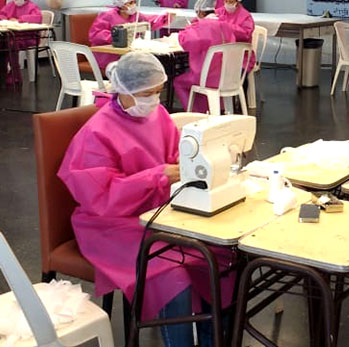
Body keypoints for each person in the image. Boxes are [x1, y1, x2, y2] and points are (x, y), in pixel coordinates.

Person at [58, 52, 230, 347]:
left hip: (155, 211)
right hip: (110, 226)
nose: (153, 100)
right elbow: (101, 196)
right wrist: (157, 177)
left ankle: (211, 341)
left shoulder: (157, 115)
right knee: (170, 273)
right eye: (146, 93)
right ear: (123, 90)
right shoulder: (97, 133)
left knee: (220, 258)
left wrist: (189, 164)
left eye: (157, 92)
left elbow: (174, 154)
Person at [174, 0, 237, 113]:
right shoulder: (226, 25)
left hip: (206, 77)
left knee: (178, 82)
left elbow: (186, 42)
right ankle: (215, 109)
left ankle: (195, 113)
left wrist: (188, 30)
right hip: (227, 77)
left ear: (201, 12)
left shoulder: (201, 27)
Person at [89, 0, 174, 72]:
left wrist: (165, 18)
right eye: (130, 3)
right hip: (109, 57)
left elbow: (149, 23)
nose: (133, 5)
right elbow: (95, 34)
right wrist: (117, 37)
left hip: (128, 55)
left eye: (134, 2)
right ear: (121, 4)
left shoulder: (135, 16)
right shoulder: (108, 16)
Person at [0, 0, 43, 83]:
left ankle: (15, 74)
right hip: (13, 35)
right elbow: (0, 15)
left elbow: (38, 18)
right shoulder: (11, 5)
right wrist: (6, 19)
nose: (15, 0)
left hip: (28, 37)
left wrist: (20, 20)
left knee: (11, 44)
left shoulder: (32, 7)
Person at [217, 0, 257, 70]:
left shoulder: (245, 16)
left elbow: (245, 34)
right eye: (225, 1)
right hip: (221, 53)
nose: (227, 4)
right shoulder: (219, 12)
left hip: (241, 55)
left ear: (237, 2)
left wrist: (225, 25)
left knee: (234, 71)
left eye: (231, 1)